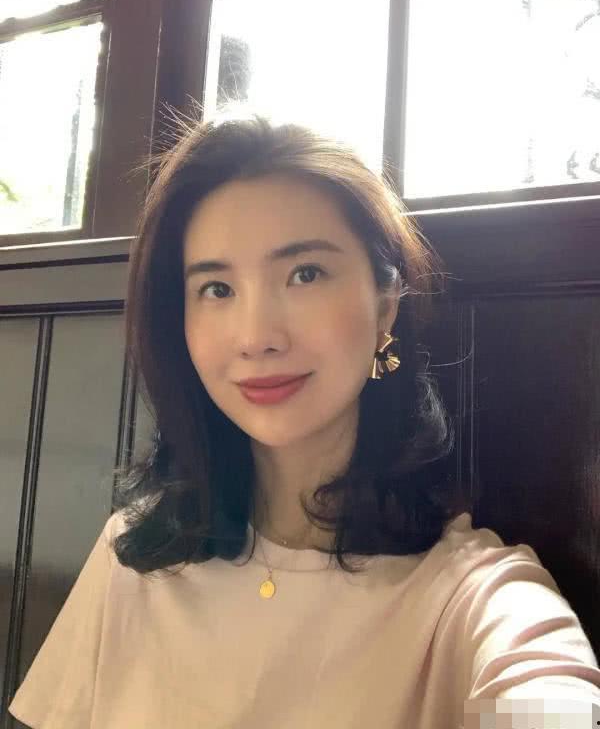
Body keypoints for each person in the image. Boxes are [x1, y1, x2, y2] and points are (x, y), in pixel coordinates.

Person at [8, 111, 600, 728]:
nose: (256, 336)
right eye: (216, 288)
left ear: (385, 306)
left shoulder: (474, 599)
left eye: (305, 273)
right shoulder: (134, 555)